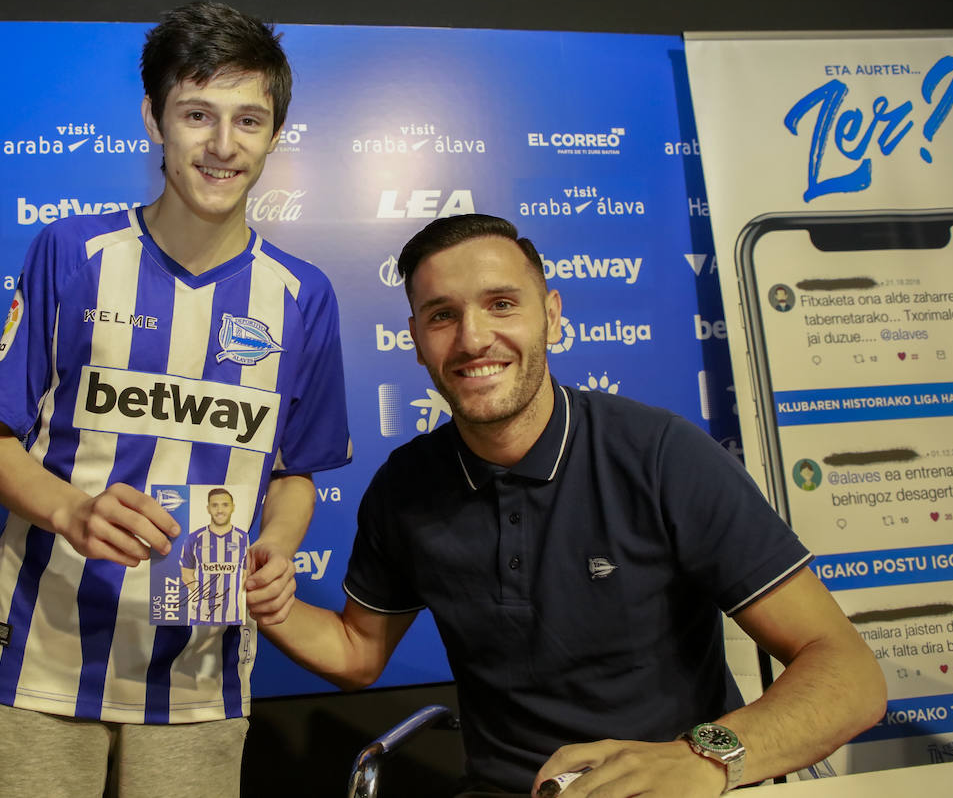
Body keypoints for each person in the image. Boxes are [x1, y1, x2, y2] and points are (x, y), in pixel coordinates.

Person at [261, 214, 885, 797]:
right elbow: (356, 654)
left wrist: (700, 758)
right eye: (442, 316)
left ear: (552, 316)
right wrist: (242, 578)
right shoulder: (406, 485)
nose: (474, 338)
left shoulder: (660, 455)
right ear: (418, 343)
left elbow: (851, 678)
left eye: (501, 304)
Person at [0, 1, 351, 798]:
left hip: (200, 678)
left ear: (274, 135)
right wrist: (70, 511)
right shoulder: (71, 252)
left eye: (249, 120)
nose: (222, 144)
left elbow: (295, 474)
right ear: (153, 118)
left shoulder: (304, 296)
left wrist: (275, 548)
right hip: (40, 659)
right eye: (197, 114)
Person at [180, 487, 251, 625]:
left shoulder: (244, 538)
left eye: (225, 505)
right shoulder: (194, 538)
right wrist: (205, 596)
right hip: (200, 618)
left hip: (233, 618)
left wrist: (232, 594)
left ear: (233, 507)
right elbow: (186, 575)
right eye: (214, 505)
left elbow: (246, 575)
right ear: (208, 509)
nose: (220, 510)